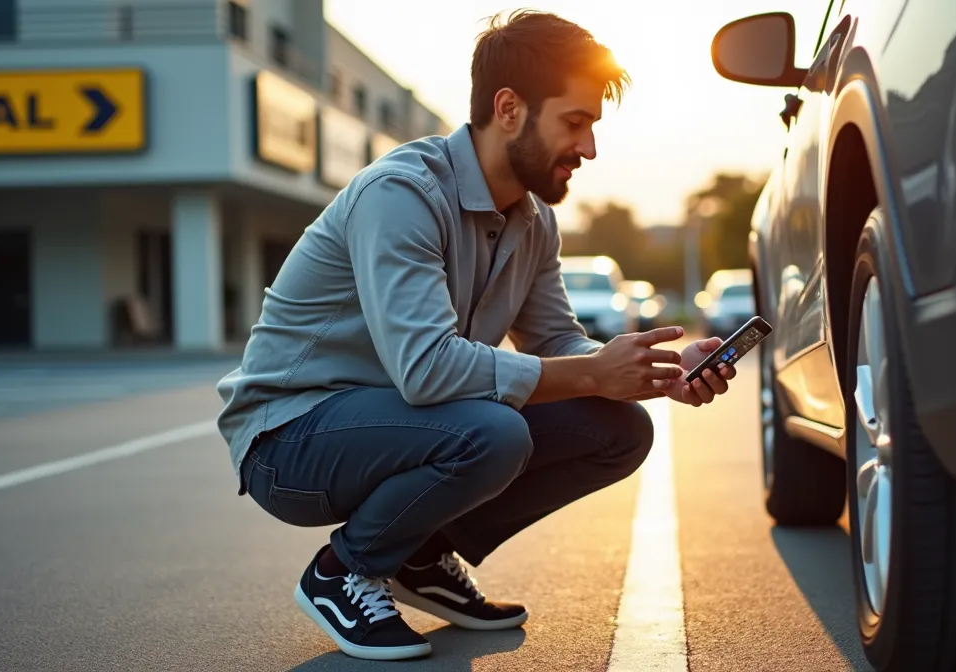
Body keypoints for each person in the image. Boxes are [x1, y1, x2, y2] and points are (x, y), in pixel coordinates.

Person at [215, 9, 738, 662]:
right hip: (290, 440)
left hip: (404, 424)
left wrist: (653, 370)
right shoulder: (401, 194)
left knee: (618, 428)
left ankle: (418, 554)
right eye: (575, 123)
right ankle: (343, 569)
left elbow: (556, 343)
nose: (590, 149)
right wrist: (587, 374)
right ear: (511, 109)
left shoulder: (534, 221)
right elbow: (427, 370)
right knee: (493, 432)